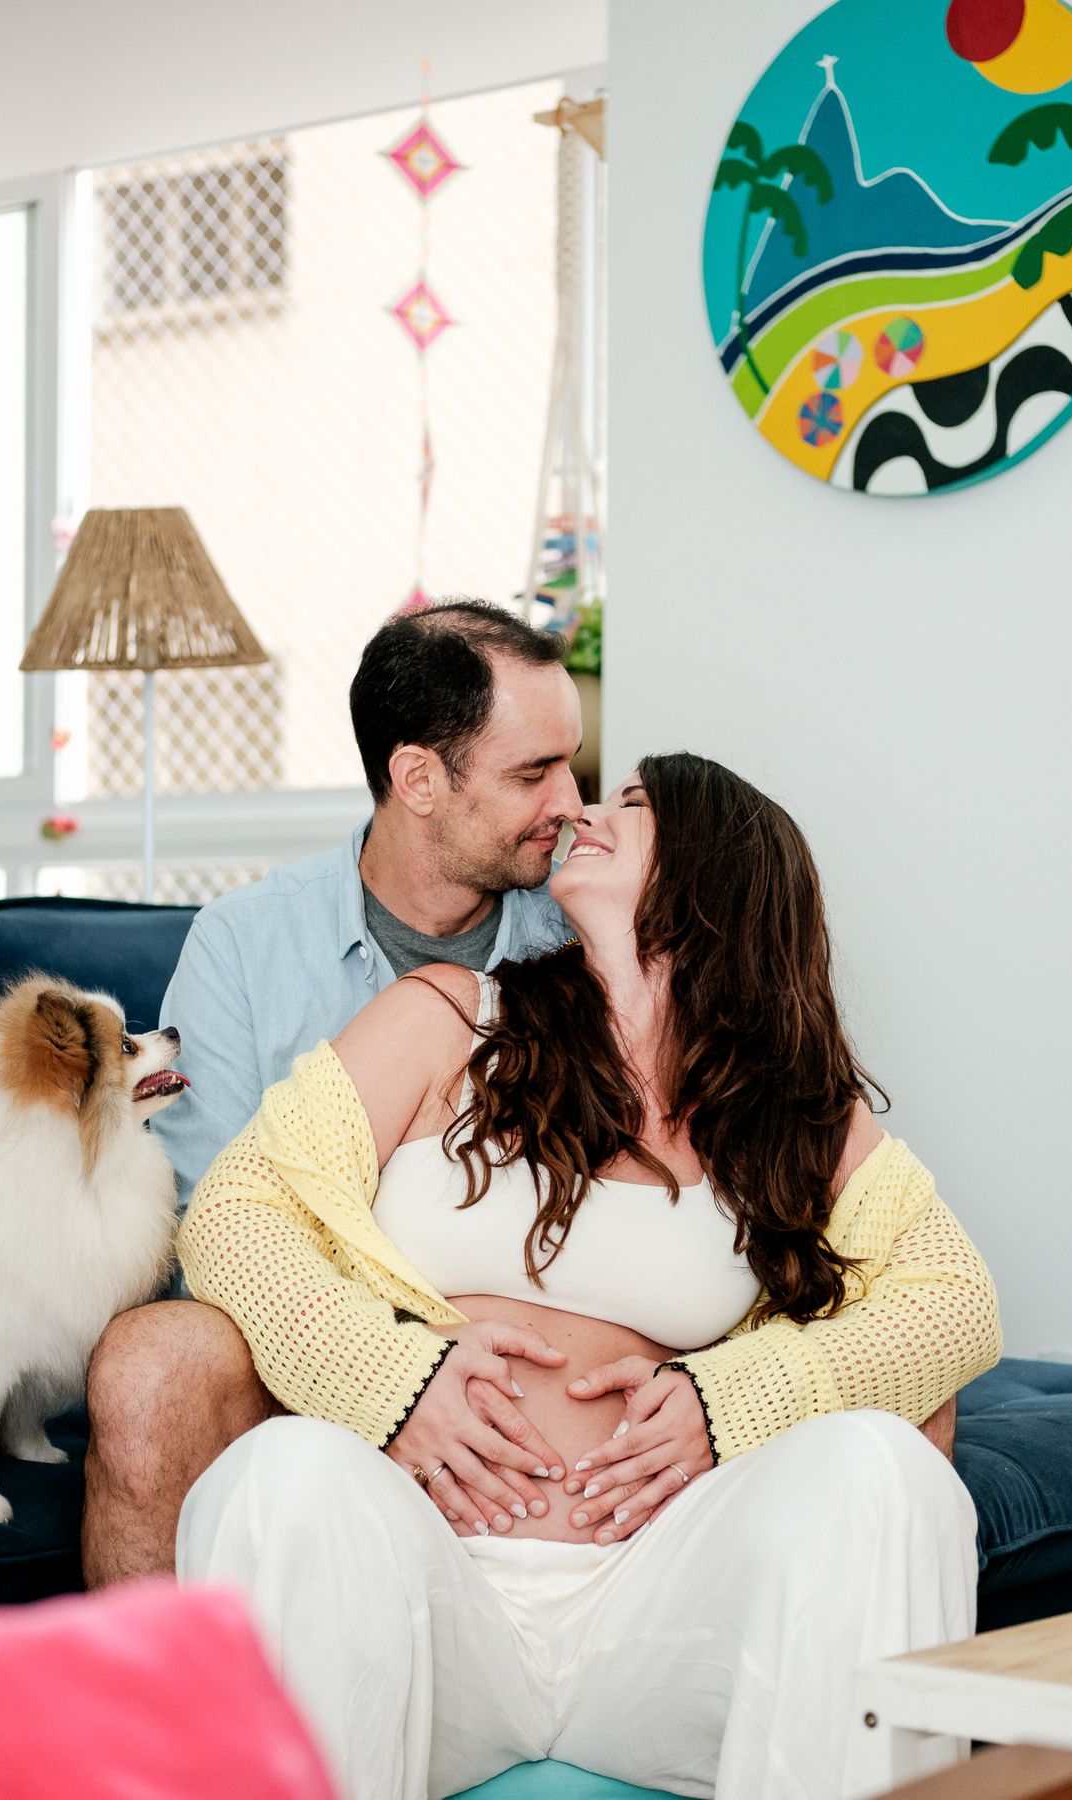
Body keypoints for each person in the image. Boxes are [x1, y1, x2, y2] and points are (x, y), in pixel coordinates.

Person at [175, 753, 1002, 1800]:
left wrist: (726, 1403)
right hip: (430, 1596)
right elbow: (235, 1211)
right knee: (280, 1473)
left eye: (635, 804)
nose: (586, 811)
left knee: (883, 1470)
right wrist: (392, 1380)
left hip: (655, 1613)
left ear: (715, 871)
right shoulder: (451, 1018)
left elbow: (955, 1303)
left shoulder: (789, 1111)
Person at [82, 601, 586, 1587]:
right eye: (534, 774)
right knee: (153, 1356)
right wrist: (387, 1366)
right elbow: (205, 1223)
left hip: (523, 1343)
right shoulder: (246, 941)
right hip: (302, 1332)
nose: (570, 803)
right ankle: (151, 1686)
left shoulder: (586, 930)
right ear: (418, 779)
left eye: (572, 765)